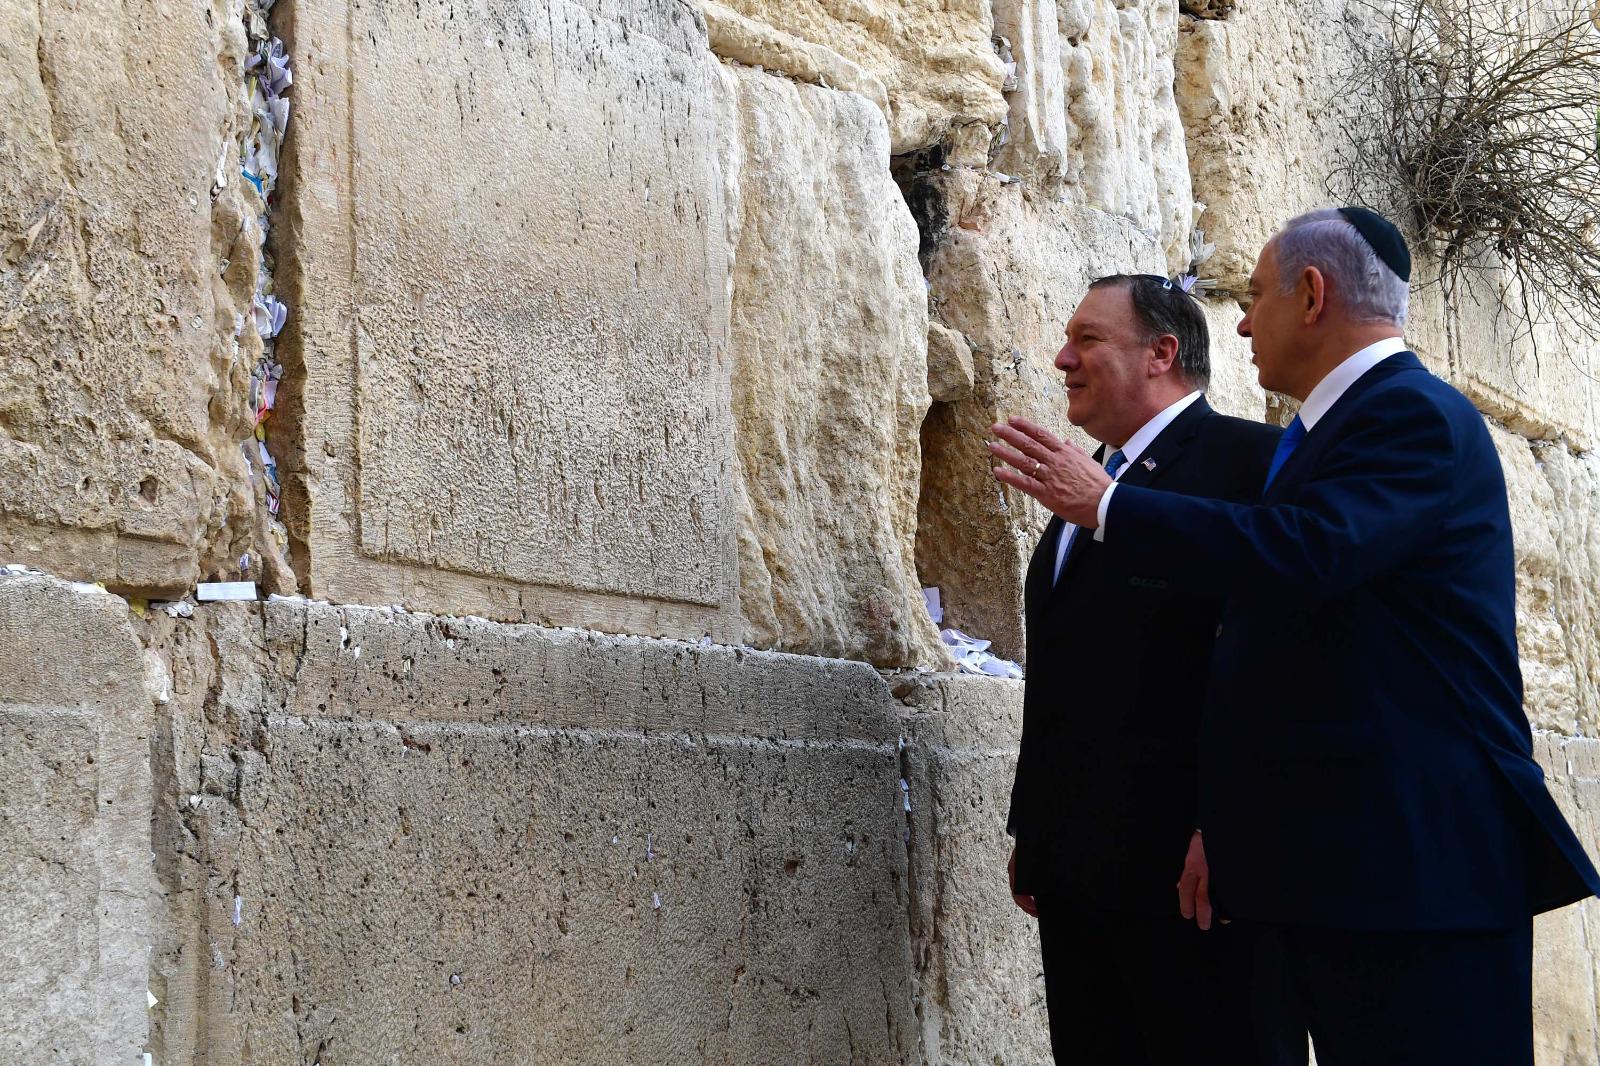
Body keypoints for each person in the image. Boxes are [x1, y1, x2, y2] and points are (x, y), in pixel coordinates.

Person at [990, 207, 1600, 1065]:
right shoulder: (1323, 439)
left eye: (1259, 295)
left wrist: (1110, 507)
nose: (1240, 320)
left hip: (1417, 873)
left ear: (1312, 296)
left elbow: (1307, 554)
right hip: (1343, 875)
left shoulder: (1409, 415)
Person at [1003, 274, 1297, 1065]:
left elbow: (1273, 665)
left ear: (1163, 352)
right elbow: (1073, 673)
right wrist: (1037, 827)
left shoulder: (1254, 463)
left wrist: (1232, 827)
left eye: (1089, 338)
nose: (1063, 357)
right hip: (1078, 878)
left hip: (1195, 883)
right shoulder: (1090, 483)